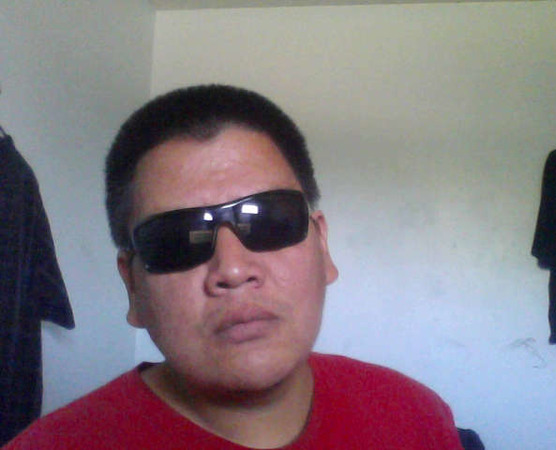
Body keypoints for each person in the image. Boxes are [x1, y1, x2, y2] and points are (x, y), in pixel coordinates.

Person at [4, 85, 463, 449]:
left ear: (322, 247)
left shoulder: (415, 417)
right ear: (134, 288)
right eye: (177, 239)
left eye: (269, 221)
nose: (233, 269)